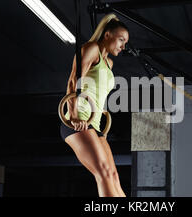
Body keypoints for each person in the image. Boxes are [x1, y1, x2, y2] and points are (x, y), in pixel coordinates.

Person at [59, 13, 129, 197]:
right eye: (121, 40)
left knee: (113, 176)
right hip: (78, 121)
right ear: (107, 35)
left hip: (95, 124)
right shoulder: (91, 49)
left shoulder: (109, 63)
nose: (123, 46)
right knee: (104, 173)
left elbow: (97, 89)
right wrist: (73, 114)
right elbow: (73, 81)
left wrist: (101, 110)